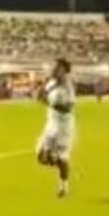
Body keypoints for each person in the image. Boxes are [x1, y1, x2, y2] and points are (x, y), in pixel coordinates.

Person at [36, 58, 75, 198]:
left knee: (62, 157)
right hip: (51, 123)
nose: (54, 69)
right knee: (41, 158)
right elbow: (40, 97)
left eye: (57, 67)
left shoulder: (68, 87)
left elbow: (69, 107)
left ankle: (63, 185)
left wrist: (50, 104)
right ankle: (54, 157)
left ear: (64, 70)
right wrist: (42, 89)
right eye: (54, 67)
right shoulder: (51, 83)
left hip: (63, 126)